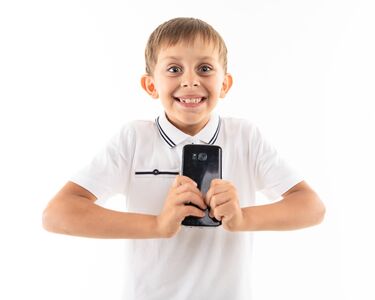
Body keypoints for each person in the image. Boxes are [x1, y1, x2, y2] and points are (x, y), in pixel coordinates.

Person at [42, 17, 326, 300]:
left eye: (204, 68)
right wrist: (158, 225)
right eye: (174, 69)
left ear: (224, 84)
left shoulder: (245, 137)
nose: (190, 81)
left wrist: (242, 218)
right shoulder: (134, 139)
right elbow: (57, 214)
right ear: (151, 85)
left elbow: (312, 207)